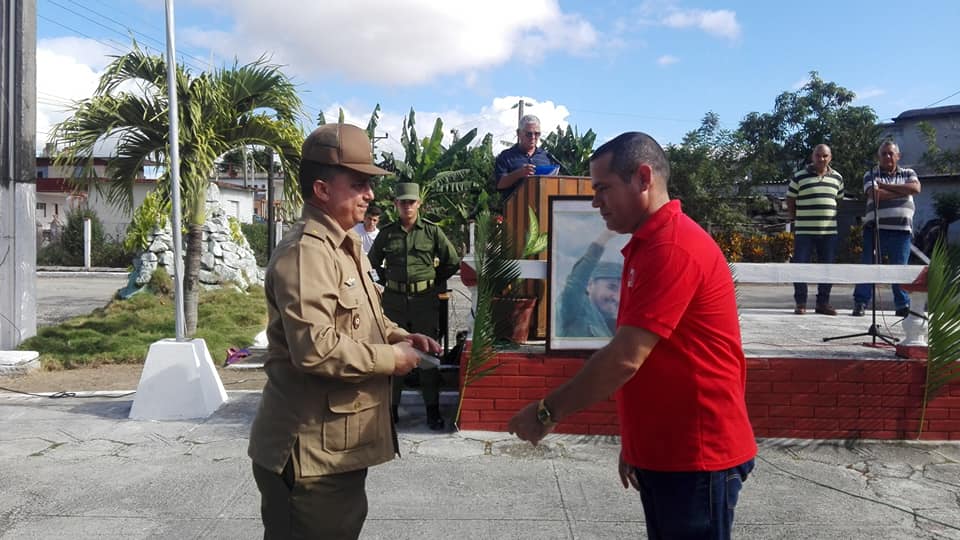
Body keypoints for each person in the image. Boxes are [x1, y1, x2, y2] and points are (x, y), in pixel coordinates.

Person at [508, 131, 756, 540]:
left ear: (643, 177)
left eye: (603, 188)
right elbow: (653, 358)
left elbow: (626, 357)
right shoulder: (647, 245)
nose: (595, 201)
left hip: (697, 455)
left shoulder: (673, 247)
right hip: (667, 453)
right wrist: (638, 445)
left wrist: (545, 413)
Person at [247, 123, 441, 540]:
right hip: (309, 455)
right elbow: (314, 349)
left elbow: (360, 316)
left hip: (334, 447)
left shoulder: (343, 245)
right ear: (321, 189)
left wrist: (396, 336)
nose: (369, 194)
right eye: (357, 184)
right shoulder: (307, 252)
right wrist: (392, 360)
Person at [368, 182, 461, 430]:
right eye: (402, 202)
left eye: (411, 202)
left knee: (428, 355)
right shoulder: (387, 233)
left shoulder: (431, 232)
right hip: (394, 303)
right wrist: (387, 282)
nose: (407, 206)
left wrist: (433, 282)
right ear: (396, 204)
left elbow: (452, 261)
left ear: (418, 203)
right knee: (392, 355)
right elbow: (372, 263)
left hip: (424, 302)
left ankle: (432, 410)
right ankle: (391, 410)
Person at [852, 141, 921, 317]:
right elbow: (874, 195)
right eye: (884, 154)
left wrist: (885, 186)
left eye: (891, 153)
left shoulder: (909, 172)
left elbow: (915, 188)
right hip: (876, 229)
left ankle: (902, 305)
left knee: (900, 269)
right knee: (868, 267)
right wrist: (902, 192)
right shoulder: (871, 173)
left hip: (902, 231)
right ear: (879, 157)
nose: (887, 157)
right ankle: (861, 302)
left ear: (898, 156)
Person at [787, 144, 844, 315]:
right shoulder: (799, 177)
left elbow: (838, 201)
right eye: (818, 156)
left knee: (828, 267)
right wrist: (795, 218)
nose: (821, 159)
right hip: (804, 230)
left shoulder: (837, 178)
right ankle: (801, 303)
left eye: (825, 156)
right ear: (812, 157)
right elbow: (790, 199)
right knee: (800, 266)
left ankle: (823, 303)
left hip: (829, 232)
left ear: (830, 157)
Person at [557, 229, 621, 337]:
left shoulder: (616, 327)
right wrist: (603, 239)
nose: (617, 297)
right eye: (612, 287)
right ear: (589, 285)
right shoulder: (576, 310)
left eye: (622, 291)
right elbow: (576, 283)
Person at [493, 114, 558, 201]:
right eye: (529, 134)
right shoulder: (506, 157)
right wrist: (519, 173)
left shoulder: (546, 157)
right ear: (519, 133)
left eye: (537, 134)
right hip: (515, 209)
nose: (533, 137)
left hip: (543, 207)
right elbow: (500, 184)